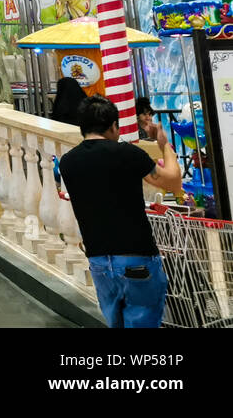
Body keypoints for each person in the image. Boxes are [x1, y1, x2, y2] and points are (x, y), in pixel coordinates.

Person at [58, 95, 182, 328]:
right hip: (137, 257)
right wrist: (164, 144)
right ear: (114, 126)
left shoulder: (68, 162)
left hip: (99, 261)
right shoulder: (128, 154)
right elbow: (174, 181)